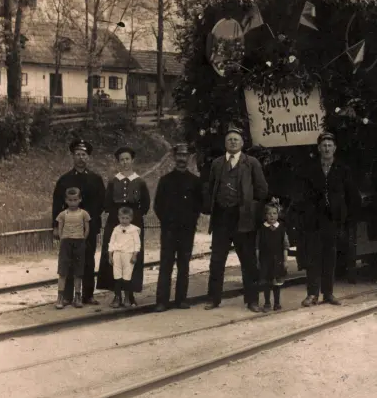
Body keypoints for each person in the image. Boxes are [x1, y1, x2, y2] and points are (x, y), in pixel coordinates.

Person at [203, 125, 268, 312]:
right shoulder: (217, 164)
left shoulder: (251, 163)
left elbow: (262, 190)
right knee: (217, 261)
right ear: (225, 143)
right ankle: (213, 299)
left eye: (236, 140)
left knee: (248, 261)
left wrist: (250, 208)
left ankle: (252, 300)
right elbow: (211, 189)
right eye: (230, 140)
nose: (233, 142)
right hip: (221, 219)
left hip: (243, 220)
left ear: (242, 143)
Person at [299, 131, 360, 307]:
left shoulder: (343, 170)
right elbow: (303, 196)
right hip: (314, 221)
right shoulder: (310, 170)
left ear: (335, 148)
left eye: (329, 145)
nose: (326, 148)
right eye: (324, 146)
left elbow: (352, 195)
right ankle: (312, 294)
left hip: (333, 221)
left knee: (330, 257)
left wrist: (346, 217)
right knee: (313, 257)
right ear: (319, 148)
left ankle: (328, 293)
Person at [51, 139, 106, 305]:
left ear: (88, 157)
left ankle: (88, 295)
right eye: (78, 154)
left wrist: (89, 220)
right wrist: (56, 227)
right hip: (69, 228)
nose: (81, 157)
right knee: (69, 261)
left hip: (89, 228)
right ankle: (68, 296)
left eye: (84, 154)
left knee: (88, 260)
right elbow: (57, 205)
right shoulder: (64, 180)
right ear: (73, 157)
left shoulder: (96, 179)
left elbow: (102, 203)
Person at [97, 146, 151, 307]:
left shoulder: (140, 181)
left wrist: (134, 217)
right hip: (115, 221)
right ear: (118, 162)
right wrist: (117, 216)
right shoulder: (113, 181)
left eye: (127, 159)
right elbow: (107, 203)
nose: (125, 162)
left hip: (134, 221)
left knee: (132, 256)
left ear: (132, 160)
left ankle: (130, 295)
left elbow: (145, 204)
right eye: (122, 160)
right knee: (115, 256)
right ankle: (117, 295)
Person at [153, 142, 203, 311]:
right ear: (175, 157)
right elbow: (158, 205)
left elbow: (199, 205)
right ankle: (162, 301)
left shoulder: (195, 181)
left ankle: (181, 299)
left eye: (185, 155)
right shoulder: (165, 180)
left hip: (187, 230)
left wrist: (190, 221)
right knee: (166, 265)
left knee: (184, 265)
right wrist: (167, 222)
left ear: (188, 158)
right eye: (179, 155)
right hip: (169, 230)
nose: (182, 158)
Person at [55, 187, 91, 309]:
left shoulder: (84, 213)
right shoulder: (63, 214)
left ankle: (77, 296)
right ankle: (60, 297)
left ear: (80, 199)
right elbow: (60, 228)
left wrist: (82, 239)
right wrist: (63, 239)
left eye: (75, 200)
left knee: (78, 272)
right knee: (63, 271)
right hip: (66, 243)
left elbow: (87, 228)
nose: (72, 202)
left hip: (79, 242)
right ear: (66, 200)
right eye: (70, 200)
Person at [256, 200, 289, 312]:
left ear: (278, 214)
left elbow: (285, 246)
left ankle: (277, 303)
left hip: (277, 261)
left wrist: (285, 261)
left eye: (274, 213)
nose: (272, 216)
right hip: (265, 261)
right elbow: (257, 246)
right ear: (265, 215)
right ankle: (267, 303)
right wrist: (258, 260)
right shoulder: (262, 229)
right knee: (266, 283)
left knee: (277, 283)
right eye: (269, 213)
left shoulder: (281, 228)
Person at [107, 207, 141, 308]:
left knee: (127, 277)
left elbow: (137, 244)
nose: (124, 220)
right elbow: (111, 242)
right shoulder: (116, 229)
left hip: (128, 254)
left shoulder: (134, 230)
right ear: (118, 217)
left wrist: (134, 255)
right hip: (117, 254)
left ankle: (127, 298)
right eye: (122, 218)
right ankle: (117, 297)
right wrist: (110, 255)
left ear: (131, 218)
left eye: (127, 218)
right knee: (117, 276)